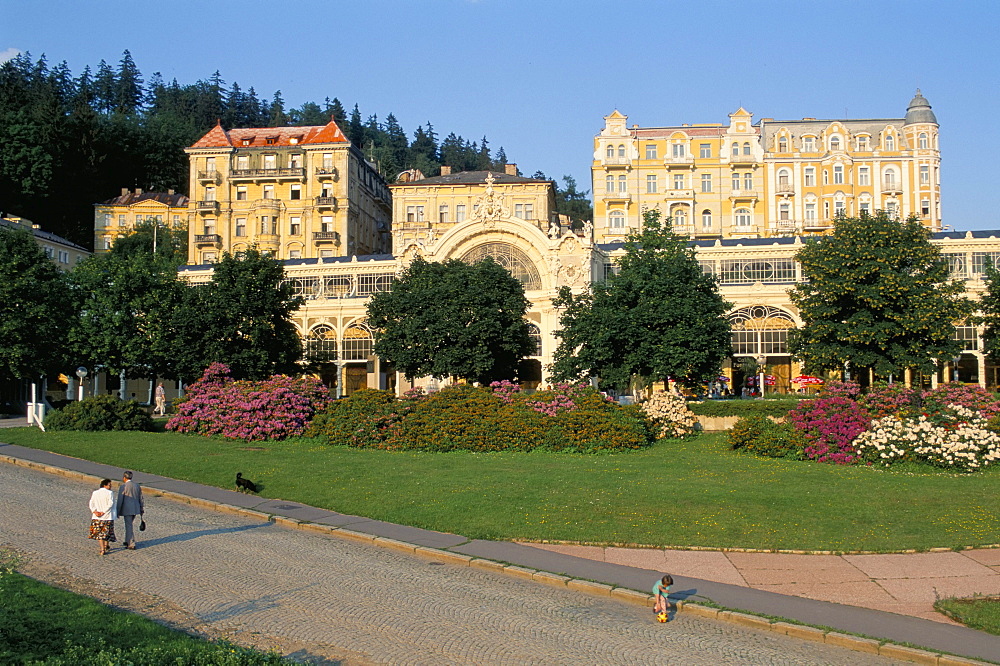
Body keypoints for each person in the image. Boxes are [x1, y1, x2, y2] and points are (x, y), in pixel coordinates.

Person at [117, 470, 145, 550]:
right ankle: (127, 540)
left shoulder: (123, 486)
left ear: (124, 478)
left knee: (129, 525)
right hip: (136, 508)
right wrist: (141, 508)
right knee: (129, 524)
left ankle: (131, 543)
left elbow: (120, 500)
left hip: (127, 509)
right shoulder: (136, 486)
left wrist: (118, 511)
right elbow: (141, 498)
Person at [88, 479, 117, 556]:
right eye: (109, 485)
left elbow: (91, 503)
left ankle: (102, 549)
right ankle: (105, 545)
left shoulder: (95, 493)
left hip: (97, 517)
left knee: (100, 534)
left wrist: (95, 511)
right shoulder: (110, 493)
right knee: (107, 532)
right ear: (105, 485)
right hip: (107, 516)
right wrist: (103, 512)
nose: (110, 487)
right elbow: (110, 504)